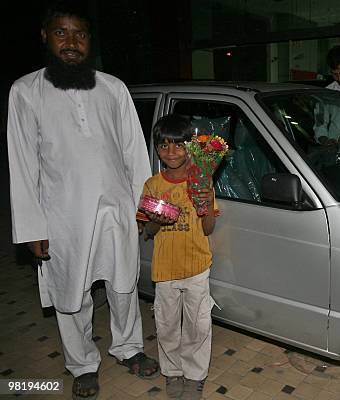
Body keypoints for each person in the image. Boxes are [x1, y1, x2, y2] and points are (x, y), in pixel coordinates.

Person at [7, 2, 157, 399]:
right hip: (62, 218)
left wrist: (145, 205)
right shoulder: (25, 91)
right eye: (61, 33)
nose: (71, 42)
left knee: (124, 284)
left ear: (90, 40)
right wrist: (31, 227)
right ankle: (83, 364)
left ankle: (128, 348)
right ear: (45, 36)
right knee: (70, 294)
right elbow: (21, 164)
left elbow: (134, 152)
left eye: (80, 34)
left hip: (117, 209)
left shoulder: (113, 87)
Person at [140, 114, 217, 399]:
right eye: (164, 146)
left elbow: (208, 227)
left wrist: (206, 202)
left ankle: (195, 376)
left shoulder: (202, 180)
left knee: (198, 325)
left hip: (197, 266)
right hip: (165, 269)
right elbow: (146, 230)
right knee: (167, 325)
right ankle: (172, 373)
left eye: (179, 145)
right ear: (157, 149)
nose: (171, 152)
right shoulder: (152, 185)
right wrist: (158, 219)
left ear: (190, 148)